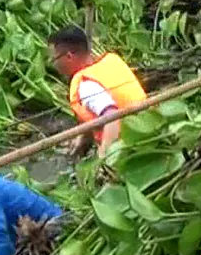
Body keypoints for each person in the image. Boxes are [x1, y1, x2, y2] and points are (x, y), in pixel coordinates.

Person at [47, 26, 147, 159]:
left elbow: (112, 116)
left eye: (54, 59)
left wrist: (105, 157)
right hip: (147, 125)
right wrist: (84, 138)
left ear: (69, 56)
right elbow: (97, 111)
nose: (54, 64)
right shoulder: (110, 62)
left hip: (129, 143)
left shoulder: (86, 86)